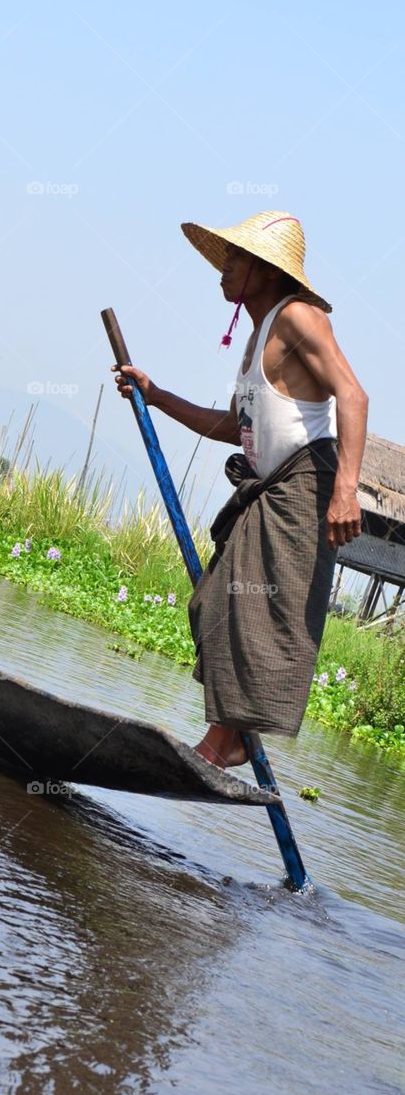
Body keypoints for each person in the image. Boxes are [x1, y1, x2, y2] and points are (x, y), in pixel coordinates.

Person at [114, 211, 368, 768]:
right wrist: (156, 396)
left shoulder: (300, 317)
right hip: (269, 490)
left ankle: (221, 743)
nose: (224, 269)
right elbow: (232, 427)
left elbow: (353, 397)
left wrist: (345, 491)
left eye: (236, 259)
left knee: (253, 610)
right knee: (217, 601)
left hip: (302, 489)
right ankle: (224, 739)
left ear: (268, 271)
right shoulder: (258, 335)